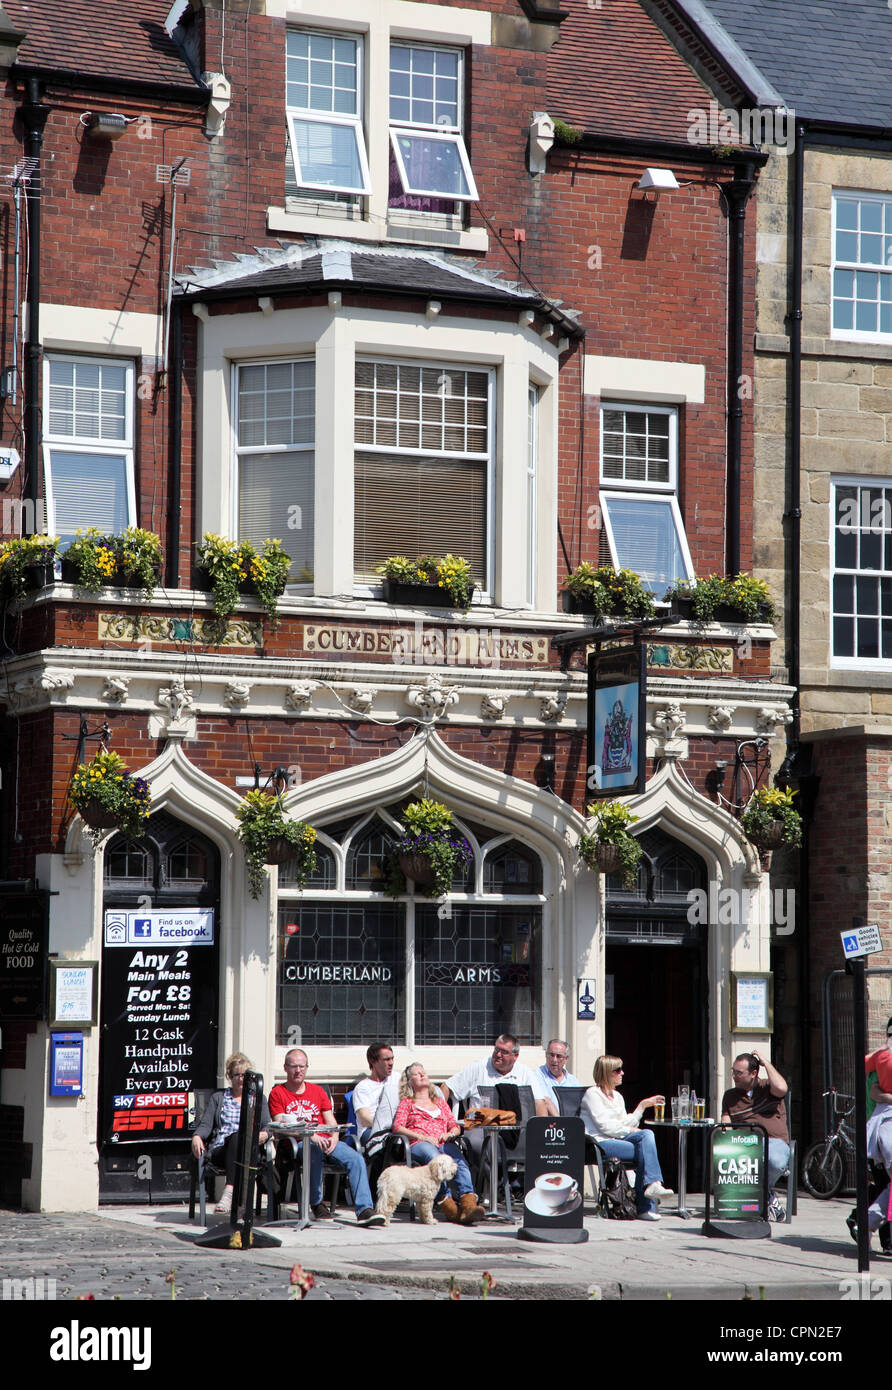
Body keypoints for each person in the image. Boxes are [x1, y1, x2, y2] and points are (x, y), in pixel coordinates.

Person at [268, 1048, 384, 1226]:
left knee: (355, 1158)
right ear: (285, 1068)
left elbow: (331, 1122)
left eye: (302, 1066)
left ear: (307, 1068)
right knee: (312, 1149)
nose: (298, 1070)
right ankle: (316, 1204)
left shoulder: (317, 1091)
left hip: (326, 1140)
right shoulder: (278, 1093)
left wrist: (335, 1136)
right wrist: (310, 1136)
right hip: (298, 1143)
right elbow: (280, 1125)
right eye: (293, 1066)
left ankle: (364, 1210)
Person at [581, 1055, 672, 1221]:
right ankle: (647, 1202)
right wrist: (628, 1129)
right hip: (599, 1143)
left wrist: (642, 1106)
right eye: (618, 1070)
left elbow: (623, 1123)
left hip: (618, 1140)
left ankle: (652, 1187)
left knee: (647, 1135)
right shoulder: (592, 1094)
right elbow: (605, 1127)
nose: (622, 1073)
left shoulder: (618, 1097)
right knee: (644, 1148)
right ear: (606, 1073)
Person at [392, 1063, 485, 1224]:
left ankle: (468, 1204)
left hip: (443, 1141)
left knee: (458, 1161)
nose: (422, 1075)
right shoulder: (407, 1102)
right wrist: (422, 1136)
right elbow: (397, 1127)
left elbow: (454, 1126)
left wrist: (450, 1134)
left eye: (423, 1072)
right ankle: (448, 1206)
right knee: (435, 1159)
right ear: (409, 1082)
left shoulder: (440, 1102)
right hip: (419, 1143)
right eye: (416, 1074)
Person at [190, 1051, 271, 1215]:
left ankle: (230, 1193)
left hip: (250, 1150)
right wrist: (197, 1136)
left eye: (245, 1075)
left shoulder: (259, 1098)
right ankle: (232, 1193)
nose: (241, 1079)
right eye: (237, 1075)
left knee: (242, 1140)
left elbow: (267, 1125)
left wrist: (266, 1134)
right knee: (235, 1137)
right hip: (222, 1150)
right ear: (229, 1076)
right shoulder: (218, 1098)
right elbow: (206, 1124)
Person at [720, 1050, 790, 1221]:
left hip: (773, 1141)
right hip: (745, 1144)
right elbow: (725, 1123)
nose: (734, 1076)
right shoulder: (730, 1096)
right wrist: (727, 1140)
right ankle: (768, 1198)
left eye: (739, 1073)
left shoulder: (768, 1088)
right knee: (730, 1157)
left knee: (774, 1161)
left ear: (753, 1073)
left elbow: (782, 1088)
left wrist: (765, 1062)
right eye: (733, 1071)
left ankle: (761, 1197)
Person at [442, 1034, 551, 1115]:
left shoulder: (525, 1072)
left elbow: (539, 1103)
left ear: (515, 1056)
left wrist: (541, 1133)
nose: (498, 1054)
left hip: (516, 1134)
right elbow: (446, 1087)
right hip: (480, 1133)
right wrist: (439, 1120)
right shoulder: (479, 1068)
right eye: (496, 1049)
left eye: (504, 1052)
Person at [865, 1016, 892, 1247]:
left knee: (887, 1186)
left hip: (879, 1127)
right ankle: (867, 1221)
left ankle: (867, 1221)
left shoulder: (881, 1057)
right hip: (885, 1128)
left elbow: (864, 1064)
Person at [353, 1042, 398, 1152]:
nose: (391, 1063)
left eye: (392, 1059)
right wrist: (390, 1127)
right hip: (371, 1130)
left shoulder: (397, 1079)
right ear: (373, 1061)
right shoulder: (363, 1087)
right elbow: (365, 1119)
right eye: (386, 1059)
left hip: (396, 1128)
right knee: (392, 1142)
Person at [538, 1039, 583, 1117]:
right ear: (546, 1054)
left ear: (566, 1059)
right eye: (551, 1055)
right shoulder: (536, 1076)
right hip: (549, 1125)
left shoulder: (573, 1082)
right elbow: (544, 1101)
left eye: (559, 1056)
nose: (554, 1060)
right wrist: (561, 1122)